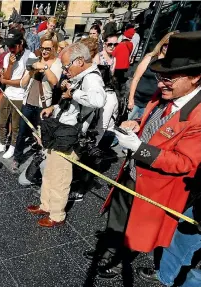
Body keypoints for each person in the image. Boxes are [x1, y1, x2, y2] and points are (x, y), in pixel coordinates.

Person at [84, 31, 201, 281]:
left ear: (194, 77)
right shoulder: (167, 92)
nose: (160, 84)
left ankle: (118, 262)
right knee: (117, 214)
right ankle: (107, 252)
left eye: (169, 78)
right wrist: (136, 123)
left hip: (156, 186)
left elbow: (185, 163)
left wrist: (140, 149)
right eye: (161, 77)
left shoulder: (199, 115)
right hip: (131, 171)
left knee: (138, 228)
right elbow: (152, 121)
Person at [27, 42, 106, 227]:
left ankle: (57, 215)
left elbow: (98, 99)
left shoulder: (92, 78)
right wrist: (54, 107)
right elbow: (72, 105)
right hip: (60, 128)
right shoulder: (81, 76)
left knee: (60, 176)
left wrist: (74, 92)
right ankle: (46, 205)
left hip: (70, 135)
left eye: (66, 66)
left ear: (79, 61)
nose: (64, 70)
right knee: (50, 171)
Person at [12, 32, 62, 170]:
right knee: (22, 132)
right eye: (42, 48)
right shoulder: (34, 60)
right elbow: (23, 83)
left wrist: (44, 67)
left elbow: (54, 82)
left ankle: (42, 160)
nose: (44, 51)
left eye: (48, 48)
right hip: (28, 102)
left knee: (42, 135)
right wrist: (31, 71)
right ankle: (17, 157)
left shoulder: (57, 63)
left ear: (54, 48)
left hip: (43, 105)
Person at [0, 29, 37, 159]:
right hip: (8, 93)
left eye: (13, 46)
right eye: (8, 46)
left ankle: (12, 146)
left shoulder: (31, 56)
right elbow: (4, 79)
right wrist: (10, 64)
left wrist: (9, 80)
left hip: (21, 96)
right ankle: (2, 144)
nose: (10, 49)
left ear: (21, 43)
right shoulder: (6, 57)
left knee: (15, 125)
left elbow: (23, 83)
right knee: (1, 122)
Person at [128, 32, 177, 120]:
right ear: (162, 43)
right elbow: (136, 79)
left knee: (138, 129)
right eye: (166, 44)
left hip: (151, 103)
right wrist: (131, 99)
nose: (167, 48)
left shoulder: (171, 65)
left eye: (171, 46)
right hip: (136, 100)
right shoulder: (150, 58)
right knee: (125, 124)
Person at [112, 28, 134, 92]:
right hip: (125, 64)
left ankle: (117, 90)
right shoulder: (130, 44)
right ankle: (121, 89)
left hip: (118, 64)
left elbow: (114, 53)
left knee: (116, 78)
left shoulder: (121, 44)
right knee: (121, 78)